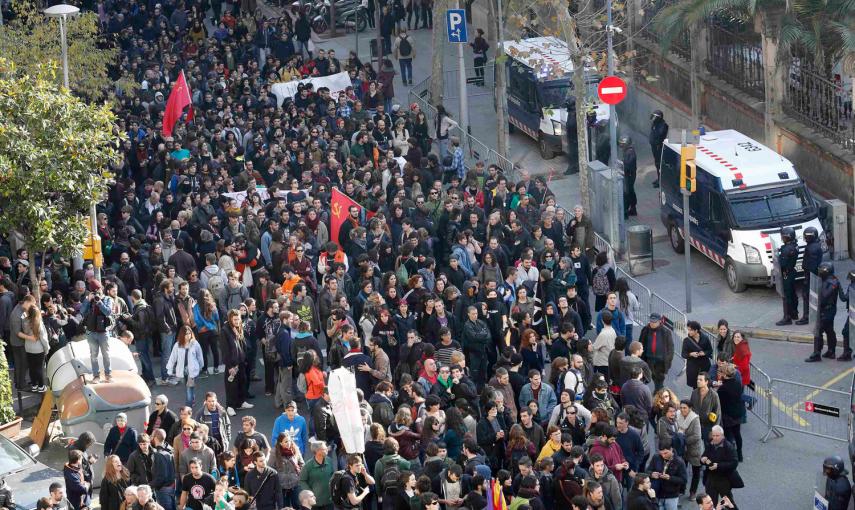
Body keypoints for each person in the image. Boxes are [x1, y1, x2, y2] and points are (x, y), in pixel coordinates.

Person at [806, 262, 842, 362]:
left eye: (821, 270)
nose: (819, 272)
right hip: (828, 310)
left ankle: (817, 354)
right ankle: (831, 351)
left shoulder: (831, 283)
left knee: (818, 331)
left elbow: (824, 296)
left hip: (827, 310)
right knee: (829, 330)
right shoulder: (832, 280)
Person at [80, 279, 114, 383]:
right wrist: (87, 300)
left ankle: (108, 375)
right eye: (94, 291)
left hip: (103, 332)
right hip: (91, 332)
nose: (97, 292)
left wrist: (99, 303)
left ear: (102, 288)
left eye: (98, 289)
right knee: (93, 356)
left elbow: (108, 312)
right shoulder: (88, 300)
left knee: (106, 355)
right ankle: (96, 376)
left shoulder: (107, 299)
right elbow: (82, 312)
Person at [700, 426, 742, 507]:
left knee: (728, 503)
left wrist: (718, 466)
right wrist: (702, 459)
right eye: (713, 435)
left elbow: (734, 463)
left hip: (723, 479)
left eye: (717, 436)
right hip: (711, 479)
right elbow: (704, 456)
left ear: (722, 436)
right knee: (710, 504)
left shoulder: (728, 447)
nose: (715, 438)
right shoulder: (710, 444)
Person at [221, 309, 253, 414]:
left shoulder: (239, 328)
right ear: (230, 319)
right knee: (231, 385)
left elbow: (242, 343)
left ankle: (241, 402)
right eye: (235, 319)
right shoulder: (225, 330)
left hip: (241, 361)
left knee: (242, 381)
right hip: (232, 363)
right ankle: (230, 406)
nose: (237, 321)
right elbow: (225, 350)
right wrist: (229, 366)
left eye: (238, 319)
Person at [166, 326, 205, 407]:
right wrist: (169, 369)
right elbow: (173, 358)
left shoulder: (195, 344)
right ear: (182, 335)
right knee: (189, 387)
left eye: (189, 333)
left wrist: (200, 367)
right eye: (186, 334)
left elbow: (200, 356)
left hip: (192, 371)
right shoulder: (177, 345)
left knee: (189, 389)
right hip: (182, 371)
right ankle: (192, 399)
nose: (188, 336)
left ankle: (188, 406)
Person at [646, 436, 687, 510]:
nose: (663, 456)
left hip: (672, 496)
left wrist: (670, 478)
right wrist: (652, 474)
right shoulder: (656, 457)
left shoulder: (679, 462)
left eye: (665, 453)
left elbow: (684, 480)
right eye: (661, 453)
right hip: (657, 494)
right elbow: (647, 471)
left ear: (671, 449)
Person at [796, 226, 823, 325]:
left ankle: (807, 316)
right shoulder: (815, 245)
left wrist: (807, 278)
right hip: (813, 275)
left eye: (807, 237)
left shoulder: (812, 248)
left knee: (807, 296)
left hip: (811, 276)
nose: (805, 238)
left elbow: (811, 265)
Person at [299, 441, 336, 510]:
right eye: (324, 449)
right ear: (317, 451)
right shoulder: (307, 466)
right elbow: (302, 480)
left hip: (329, 501)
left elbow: (332, 475)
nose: (327, 450)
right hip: (315, 503)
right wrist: (310, 493)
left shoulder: (329, 461)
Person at [775, 227, 800, 326]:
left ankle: (787, 317)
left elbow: (783, 264)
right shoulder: (794, 246)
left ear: (787, 237)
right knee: (793, 294)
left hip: (786, 274)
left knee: (786, 296)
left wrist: (777, 259)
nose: (782, 238)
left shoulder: (786, 249)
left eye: (783, 237)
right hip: (792, 272)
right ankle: (794, 314)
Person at [682, 321, 712, 389]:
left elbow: (710, 350)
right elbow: (683, 354)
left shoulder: (705, 338)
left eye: (690, 330)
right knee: (695, 387)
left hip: (704, 366)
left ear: (696, 330)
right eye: (688, 329)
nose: (689, 331)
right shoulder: (686, 340)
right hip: (693, 368)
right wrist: (690, 354)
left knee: (706, 386)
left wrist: (704, 353)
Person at [649, 110, 668, 187]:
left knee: (659, 164)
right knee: (657, 164)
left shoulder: (663, 126)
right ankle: (659, 178)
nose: (653, 119)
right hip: (654, 147)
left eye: (655, 117)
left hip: (658, 148)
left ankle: (661, 181)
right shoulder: (655, 124)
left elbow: (659, 135)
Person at [619, 137, 637, 217]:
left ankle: (625, 212)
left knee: (626, 193)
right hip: (628, 174)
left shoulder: (630, 152)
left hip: (629, 175)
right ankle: (633, 209)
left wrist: (622, 168)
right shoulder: (627, 151)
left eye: (623, 144)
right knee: (630, 191)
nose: (621, 146)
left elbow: (628, 165)